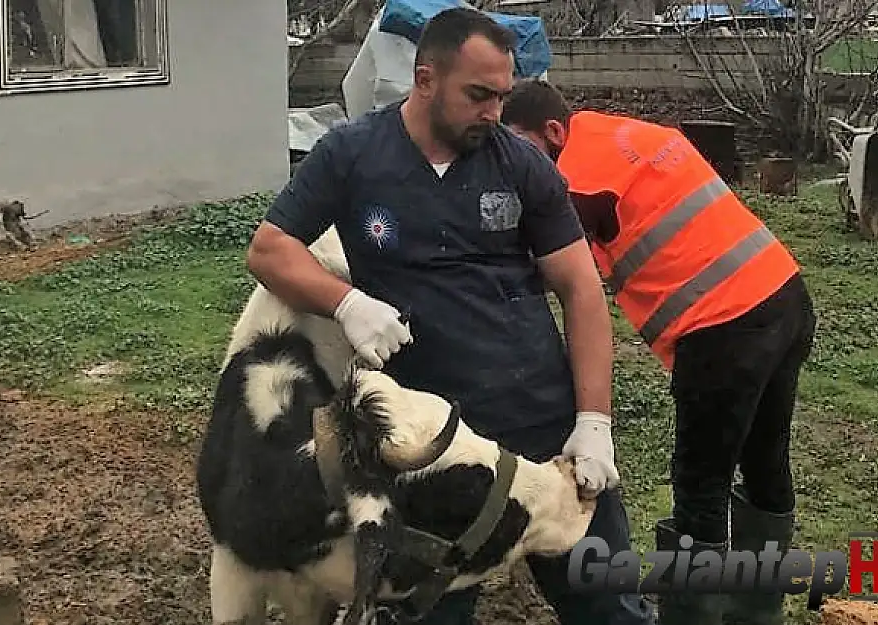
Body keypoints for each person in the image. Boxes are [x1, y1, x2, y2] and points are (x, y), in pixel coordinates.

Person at [245, 7, 658, 625]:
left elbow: (580, 287)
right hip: (424, 446)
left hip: (539, 425)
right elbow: (269, 250)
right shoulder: (354, 155)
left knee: (607, 605)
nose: (493, 112)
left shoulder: (520, 164)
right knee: (427, 610)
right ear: (425, 78)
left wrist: (594, 419)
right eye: (478, 94)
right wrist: (346, 302)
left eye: (502, 95)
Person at [501, 79, 817, 625]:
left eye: (517, 146)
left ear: (553, 132)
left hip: (724, 326)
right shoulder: (621, 132)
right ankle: (755, 613)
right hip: (783, 293)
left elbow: (548, 268)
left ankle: (691, 616)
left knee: (701, 484)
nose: (513, 165)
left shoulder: (575, 178)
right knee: (766, 462)